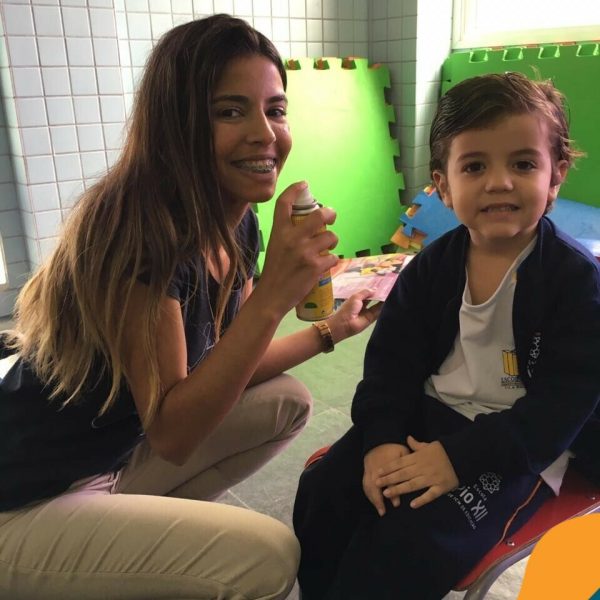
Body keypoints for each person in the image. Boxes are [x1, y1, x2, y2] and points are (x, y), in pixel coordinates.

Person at [0, 14, 380, 600]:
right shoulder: (138, 234)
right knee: (267, 559)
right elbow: (174, 435)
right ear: (176, 124)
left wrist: (331, 329)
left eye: (275, 110)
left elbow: (233, 362)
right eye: (230, 112)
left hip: (112, 460)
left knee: (287, 403)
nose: (264, 134)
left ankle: (134, 565)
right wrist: (275, 293)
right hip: (28, 496)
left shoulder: (237, 222)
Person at [293, 71, 600, 599]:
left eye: (523, 164)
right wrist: (382, 440)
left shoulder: (575, 281)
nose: (499, 182)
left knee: (409, 545)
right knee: (324, 494)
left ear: (556, 176)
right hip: (428, 415)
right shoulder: (430, 268)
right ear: (442, 186)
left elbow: (561, 407)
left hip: (520, 446)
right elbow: (390, 366)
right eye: (475, 166)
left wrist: (459, 459)